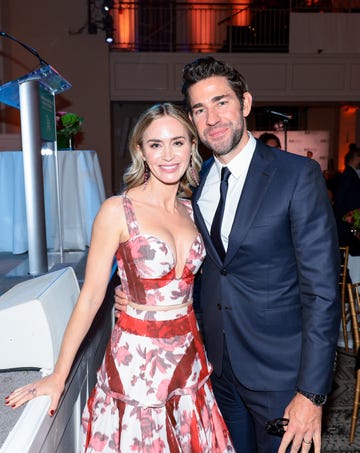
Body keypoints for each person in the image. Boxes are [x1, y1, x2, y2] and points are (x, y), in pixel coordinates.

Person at [115, 57, 341, 453]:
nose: (212, 117)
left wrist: (313, 393)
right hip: (215, 374)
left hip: (282, 378)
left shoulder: (296, 176)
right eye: (200, 109)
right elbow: (195, 267)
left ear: (246, 104)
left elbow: (322, 293)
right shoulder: (193, 180)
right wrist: (139, 295)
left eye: (221, 102)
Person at [5, 103, 235, 452]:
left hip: (189, 360)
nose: (168, 154)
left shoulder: (194, 210)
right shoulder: (117, 210)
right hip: (137, 365)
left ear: (192, 147)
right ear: (140, 151)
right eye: (155, 144)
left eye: (177, 142)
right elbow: (91, 297)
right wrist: (58, 374)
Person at [332, 146, 360, 255]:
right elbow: (340, 198)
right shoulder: (348, 175)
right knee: (353, 244)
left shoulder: (349, 174)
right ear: (356, 158)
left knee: (354, 243)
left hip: (349, 220)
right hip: (349, 221)